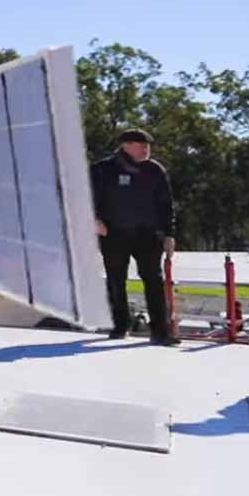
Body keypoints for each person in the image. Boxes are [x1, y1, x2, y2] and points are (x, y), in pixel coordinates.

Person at [90, 128, 180, 346]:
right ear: (125, 146)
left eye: (147, 145)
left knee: (153, 280)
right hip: (113, 233)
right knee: (116, 280)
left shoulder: (155, 170)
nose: (146, 149)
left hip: (148, 234)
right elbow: (86, 196)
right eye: (141, 145)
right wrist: (94, 219)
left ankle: (160, 331)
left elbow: (166, 204)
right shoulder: (103, 169)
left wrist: (169, 234)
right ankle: (120, 326)